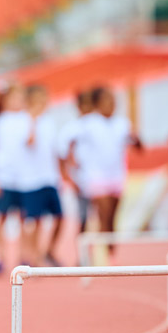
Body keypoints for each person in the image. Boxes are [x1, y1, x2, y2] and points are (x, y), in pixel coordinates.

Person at [74, 85, 142, 258]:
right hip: (96, 177)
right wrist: (71, 168)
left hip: (117, 177)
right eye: (106, 101)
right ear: (97, 103)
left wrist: (135, 136)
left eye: (113, 101)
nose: (111, 104)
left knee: (112, 220)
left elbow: (139, 147)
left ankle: (110, 255)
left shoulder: (122, 124)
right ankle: (99, 257)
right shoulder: (88, 123)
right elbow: (67, 143)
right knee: (103, 217)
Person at [15, 84, 64, 267]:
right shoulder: (22, 121)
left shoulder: (49, 121)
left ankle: (48, 251)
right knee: (34, 221)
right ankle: (33, 256)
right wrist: (32, 121)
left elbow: (55, 151)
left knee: (60, 217)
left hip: (49, 178)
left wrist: (62, 174)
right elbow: (29, 142)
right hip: (30, 180)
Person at [0, 82, 28, 272]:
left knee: (24, 218)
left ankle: (23, 256)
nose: (17, 101)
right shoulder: (0, 122)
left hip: (24, 178)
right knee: (1, 218)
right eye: (13, 97)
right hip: (5, 177)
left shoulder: (27, 119)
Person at [58, 90, 94, 233]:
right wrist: (68, 177)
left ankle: (101, 254)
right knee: (83, 217)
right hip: (82, 179)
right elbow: (63, 154)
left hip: (99, 179)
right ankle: (83, 253)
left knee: (100, 218)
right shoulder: (72, 129)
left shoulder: (97, 125)